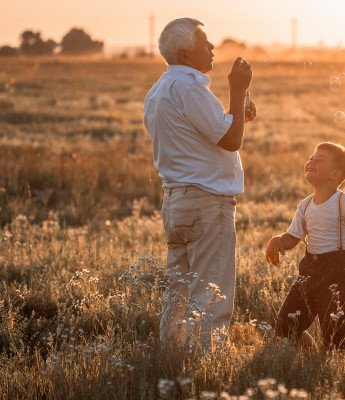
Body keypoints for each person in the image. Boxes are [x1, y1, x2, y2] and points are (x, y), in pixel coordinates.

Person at [143, 17, 256, 355]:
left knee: (178, 292)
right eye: (204, 43)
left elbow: (200, 136)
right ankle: (201, 369)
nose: (212, 49)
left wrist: (239, 113)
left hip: (176, 202)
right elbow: (231, 140)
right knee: (211, 295)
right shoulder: (191, 88)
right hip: (207, 204)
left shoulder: (158, 90)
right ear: (184, 52)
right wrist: (237, 90)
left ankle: (171, 361)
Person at [265, 142, 345, 350]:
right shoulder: (305, 204)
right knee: (286, 325)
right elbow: (293, 236)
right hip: (308, 273)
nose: (311, 161)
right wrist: (278, 240)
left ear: (335, 175)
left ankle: (336, 364)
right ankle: (313, 354)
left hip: (337, 274)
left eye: (319, 160)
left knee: (336, 333)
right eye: (311, 157)